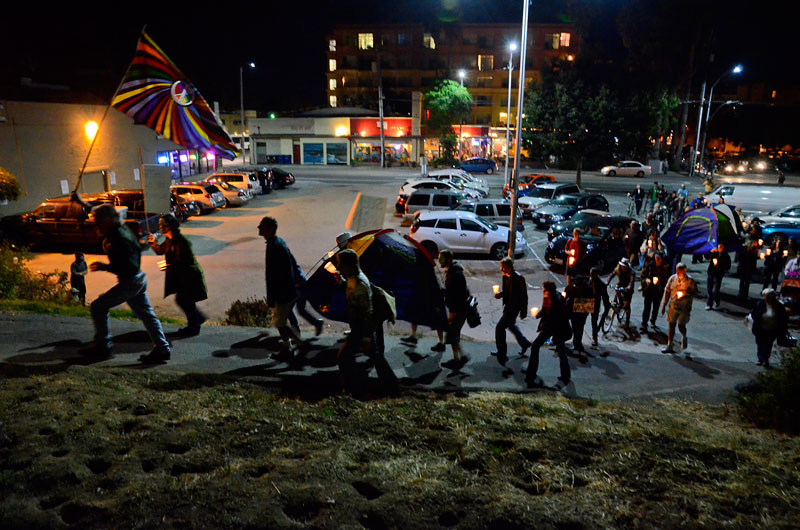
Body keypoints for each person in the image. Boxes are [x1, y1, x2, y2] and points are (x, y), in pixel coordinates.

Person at [70, 195, 170, 362]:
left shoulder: (119, 239)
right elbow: (96, 210)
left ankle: (104, 346)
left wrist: (104, 267)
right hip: (138, 280)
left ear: (108, 220)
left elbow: (127, 267)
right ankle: (162, 349)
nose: (96, 224)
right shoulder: (118, 227)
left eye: (98, 221)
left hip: (130, 282)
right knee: (147, 315)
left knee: (98, 307)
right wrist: (80, 201)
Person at [335, 249, 398, 395]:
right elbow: (351, 287)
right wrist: (342, 282)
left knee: (344, 357)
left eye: (341, 265)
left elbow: (367, 313)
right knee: (375, 357)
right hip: (362, 328)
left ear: (350, 265)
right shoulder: (354, 278)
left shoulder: (360, 285)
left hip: (361, 329)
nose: (339, 268)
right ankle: (392, 387)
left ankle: (351, 389)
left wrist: (366, 337)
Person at [147, 214, 207, 336]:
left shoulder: (181, 241)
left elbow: (184, 261)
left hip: (189, 276)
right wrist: (152, 242)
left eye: (163, 225)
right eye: (160, 225)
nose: (161, 228)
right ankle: (196, 321)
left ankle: (194, 326)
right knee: (185, 300)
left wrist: (169, 266)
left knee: (186, 300)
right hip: (181, 276)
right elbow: (160, 250)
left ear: (170, 226)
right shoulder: (170, 240)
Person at [259, 216, 304, 356]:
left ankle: (290, 345)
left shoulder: (274, 246)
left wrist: (272, 298)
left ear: (270, 229)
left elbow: (273, 276)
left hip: (283, 292)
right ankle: (295, 340)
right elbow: (292, 262)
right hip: (288, 290)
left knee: (280, 322)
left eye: (262, 226)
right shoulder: (277, 242)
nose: (259, 229)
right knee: (285, 316)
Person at [524, 281, 572, 388]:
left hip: (558, 329)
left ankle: (531, 374)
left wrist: (544, 327)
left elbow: (554, 318)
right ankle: (565, 376)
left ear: (549, 290)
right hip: (553, 328)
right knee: (560, 350)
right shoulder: (549, 296)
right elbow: (545, 310)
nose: (543, 291)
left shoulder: (557, 300)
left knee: (536, 346)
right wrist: (539, 314)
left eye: (544, 290)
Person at [490, 257, 531, 365]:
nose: (501, 270)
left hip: (514, 308)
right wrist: (500, 295)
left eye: (503, 268)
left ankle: (502, 353)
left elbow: (524, 296)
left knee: (499, 328)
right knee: (511, 325)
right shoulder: (505, 277)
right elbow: (507, 291)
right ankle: (524, 343)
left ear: (509, 267)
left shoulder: (519, 278)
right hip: (508, 306)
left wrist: (524, 311)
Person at [438, 250, 469, 366]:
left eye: (442, 259)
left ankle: (459, 359)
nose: (440, 261)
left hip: (458, 310)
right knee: (453, 335)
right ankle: (459, 358)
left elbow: (457, 294)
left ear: (449, 259)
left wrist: (453, 312)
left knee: (452, 335)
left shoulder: (455, 274)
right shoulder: (451, 271)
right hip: (457, 309)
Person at [660, 262, 697, 354]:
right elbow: (667, 291)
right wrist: (664, 305)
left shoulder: (690, 281)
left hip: (685, 307)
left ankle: (684, 336)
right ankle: (669, 344)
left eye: (680, 271)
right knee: (671, 324)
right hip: (674, 305)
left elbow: (695, 292)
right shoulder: (672, 279)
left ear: (684, 271)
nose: (678, 273)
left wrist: (686, 294)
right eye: (677, 271)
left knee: (681, 325)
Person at [748, 288, 788, 369]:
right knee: (760, 344)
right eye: (765, 297)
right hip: (760, 328)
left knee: (768, 344)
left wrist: (783, 331)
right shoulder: (760, 304)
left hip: (772, 329)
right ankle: (760, 359)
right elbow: (753, 313)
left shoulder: (779, 306)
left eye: (768, 297)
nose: (766, 299)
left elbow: (784, 319)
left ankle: (765, 359)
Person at [565, 274, 593, 359]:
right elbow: (565, 294)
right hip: (573, 309)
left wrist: (586, 312)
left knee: (579, 328)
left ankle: (578, 344)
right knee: (574, 327)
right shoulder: (572, 286)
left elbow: (590, 301)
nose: (576, 286)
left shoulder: (588, 289)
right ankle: (576, 343)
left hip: (581, 309)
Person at [640, 252, 669, 330]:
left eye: (659, 259)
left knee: (656, 307)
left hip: (658, 291)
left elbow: (668, 280)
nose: (658, 260)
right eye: (657, 259)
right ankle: (644, 323)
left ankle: (653, 321)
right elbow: (643, 276)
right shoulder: (649, 266)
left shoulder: (665, 267)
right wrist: (646, 280)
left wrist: (661, 284)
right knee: (647, 308)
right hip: (649, 290)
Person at [607, 258, 634, 328]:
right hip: (621, 284)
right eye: (622, 266)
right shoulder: (617, 269)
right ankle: (617, 305)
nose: (623, 268)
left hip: (627, 288)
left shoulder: (631, 272)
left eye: (624, 267)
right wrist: (607, 281)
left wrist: (628, 287)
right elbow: (612, 274)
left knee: (627, 305)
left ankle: (627, 322)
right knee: (616, 290)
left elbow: (631, 282)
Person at [706, 243, 731, 310]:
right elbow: (706, 256)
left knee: (715, 290)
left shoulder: (725, 256)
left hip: (718, 275)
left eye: (721, 246)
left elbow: (727, 266)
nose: (719, 248)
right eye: (718, 246)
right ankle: (709, 304)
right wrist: (711, 252)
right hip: (711, 272)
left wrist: (719, 265)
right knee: (709, 289)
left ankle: (717, 300)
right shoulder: (714, 253)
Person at [738, 229, 761, 301]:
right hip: (744, 263)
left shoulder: (755, 242)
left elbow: (755, 254)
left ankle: (744, 293)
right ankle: (741, 293)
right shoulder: (745, 241)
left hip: (749, 264)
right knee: (743, 279)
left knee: (747, 280)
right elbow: (741, 253)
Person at [589, 267, 610, 347]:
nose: (591, 276)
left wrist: (606, 306)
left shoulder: (601, 285)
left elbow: (605, 297)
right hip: (587, 303)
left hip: (595, 305)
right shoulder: (588, 281)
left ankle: (595, 338)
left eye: (593, 274)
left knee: (594, 321)